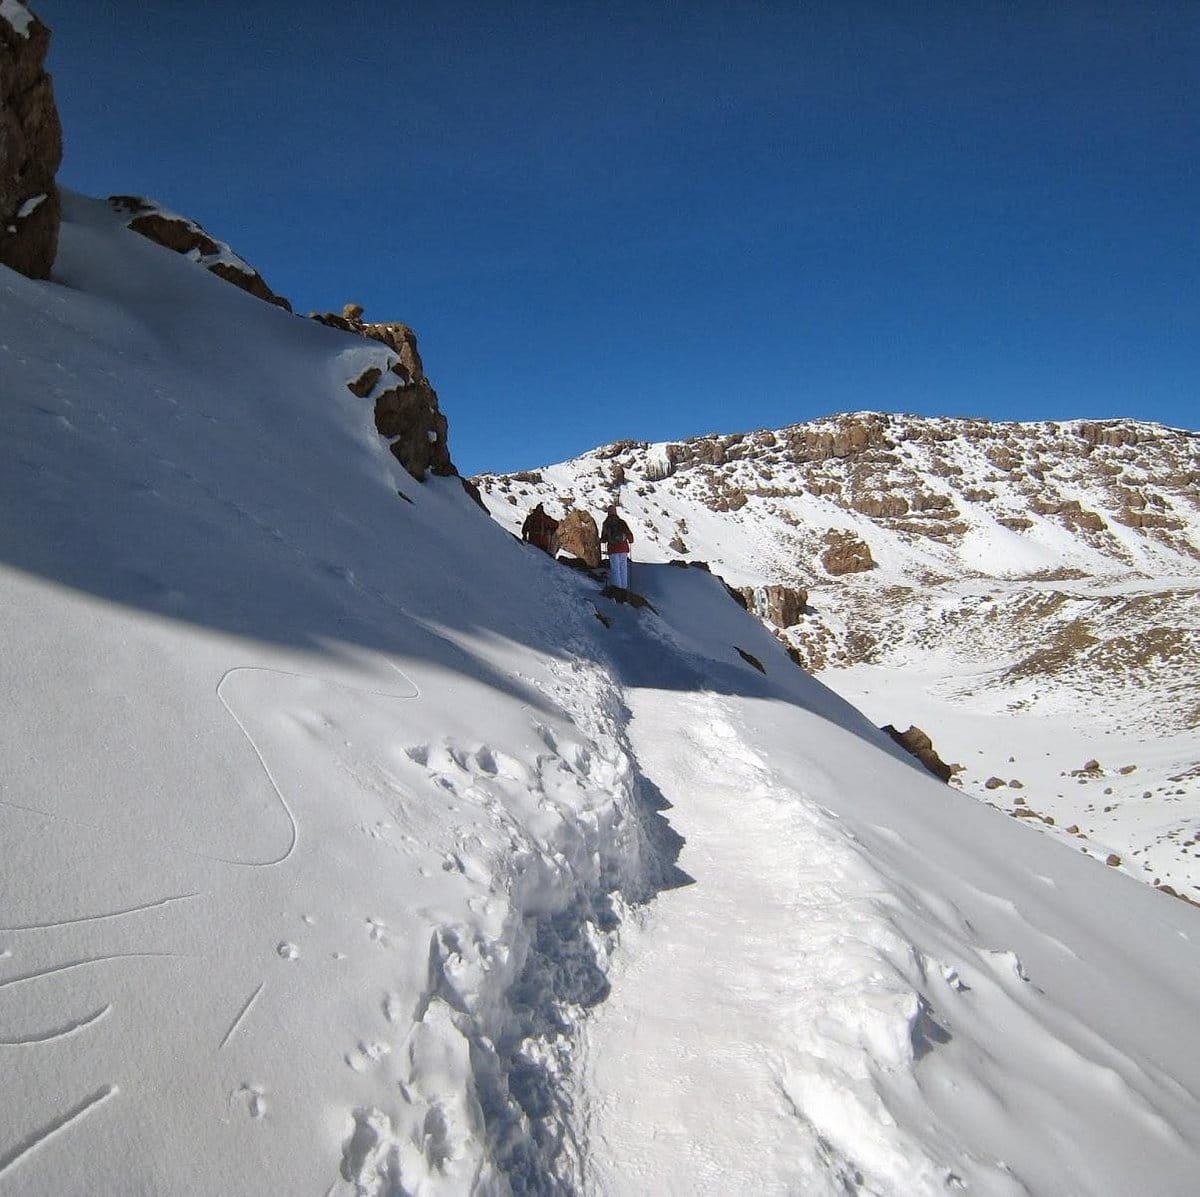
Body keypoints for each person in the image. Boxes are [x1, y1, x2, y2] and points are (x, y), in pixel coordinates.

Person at [600, 503, 633, 592]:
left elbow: (604, 538)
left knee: (615, 568)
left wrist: (602, 540)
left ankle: (617, 588)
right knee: (623, 568)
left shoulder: (606, 523)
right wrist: (630, 540)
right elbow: (628, 533)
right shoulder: (621, 522)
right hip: (623, 548)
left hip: (613, 549)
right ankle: (624, 588)